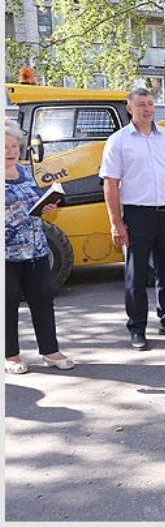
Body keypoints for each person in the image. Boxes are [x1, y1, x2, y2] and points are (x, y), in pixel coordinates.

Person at [99, 87, 165, 351]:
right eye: (141, 104)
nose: (147, 108)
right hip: (137, 215)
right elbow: (110, 183)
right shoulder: (118, 141)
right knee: (136, 274)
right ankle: (137, 328)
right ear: (130, 108)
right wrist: (116, 223)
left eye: (151, 103)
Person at [5, 120, 75, 373]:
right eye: (5, 147)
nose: (12, 151)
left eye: (14, 145)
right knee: (8, 304)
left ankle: (50, 351)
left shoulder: (24, 172)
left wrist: (47, 207)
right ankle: (10, 355)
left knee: (43, 301)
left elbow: (34, 202)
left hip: (36, 250)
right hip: (7, 254)